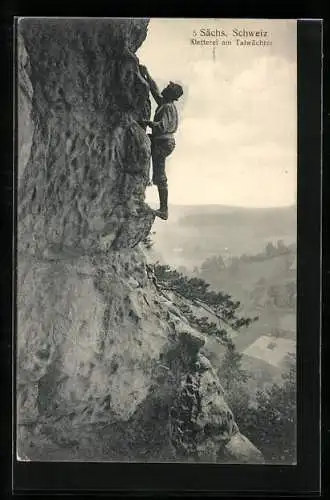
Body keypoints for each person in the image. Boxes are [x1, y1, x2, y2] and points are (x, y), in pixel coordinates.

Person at [139, 65, 183, 220]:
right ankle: (145, 182)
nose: (164, 89)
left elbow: (162, 126)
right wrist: (147, 75)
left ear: (170, 94)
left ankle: (164, 210)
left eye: (167, 88)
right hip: (162, 142)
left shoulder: (168, 108)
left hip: (163, 143)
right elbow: (155, 91)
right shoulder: (165, 104)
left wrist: (147, 123)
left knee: (160, 175)